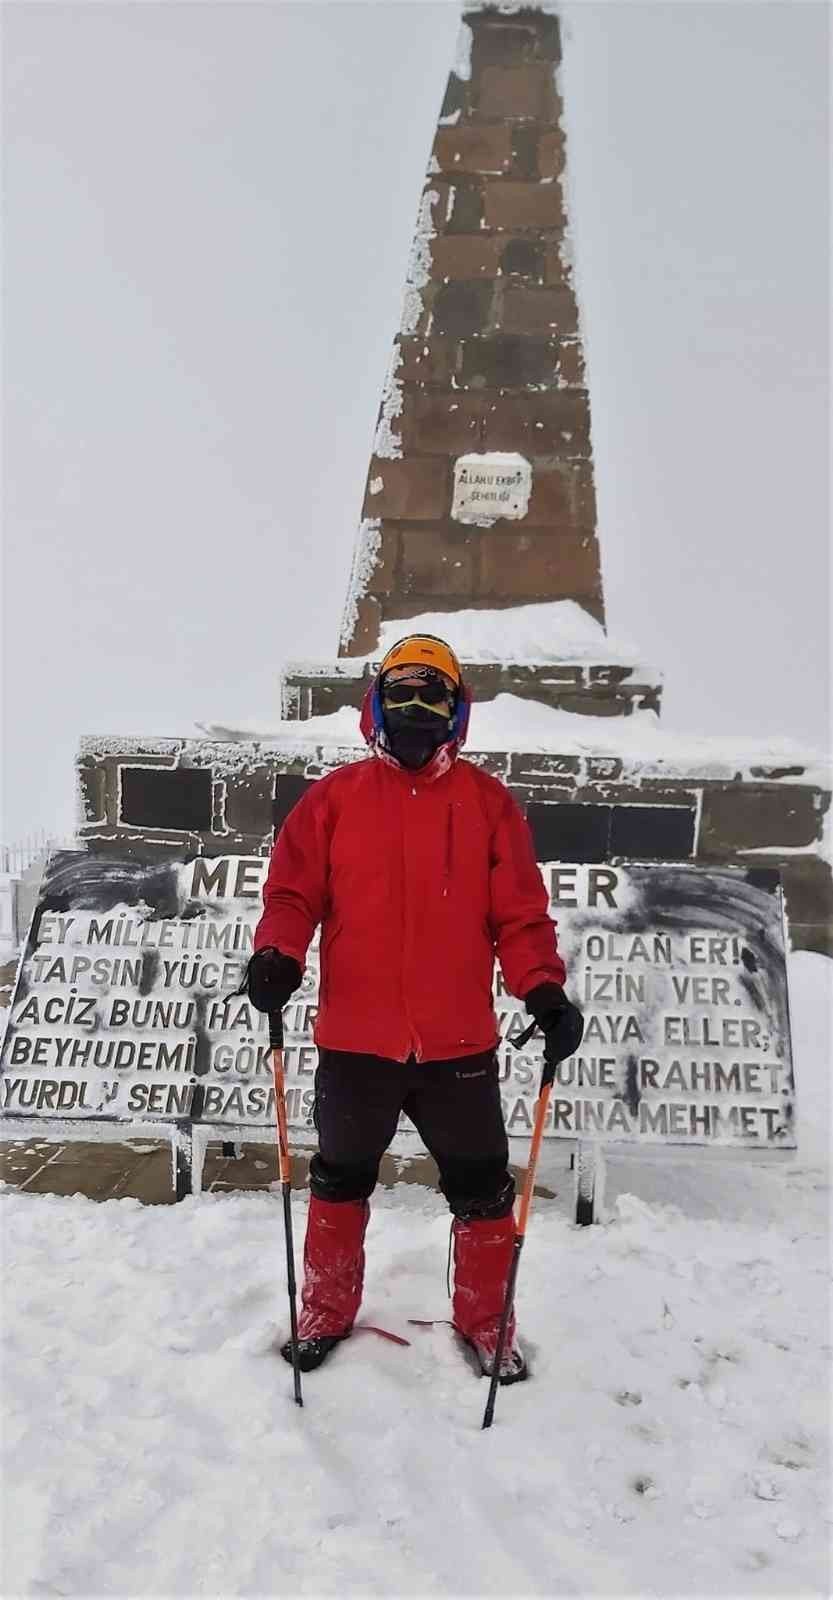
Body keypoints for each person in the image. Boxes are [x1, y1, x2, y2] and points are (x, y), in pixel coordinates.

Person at [241, 633, 583, 1383]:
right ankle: (326, 1310)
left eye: (433, 695)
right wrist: (278, 954)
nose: (416, 709)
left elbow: (520, 918)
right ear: (377, 706)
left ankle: (486, 1320)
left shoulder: (489, 806)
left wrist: (543, 990)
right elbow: (293, 895)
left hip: (457, 1046)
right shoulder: (332, 801)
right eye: (401, 694)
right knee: (338, 1179)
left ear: (456, 711)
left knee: (484, 1190)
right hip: (356, 1042)